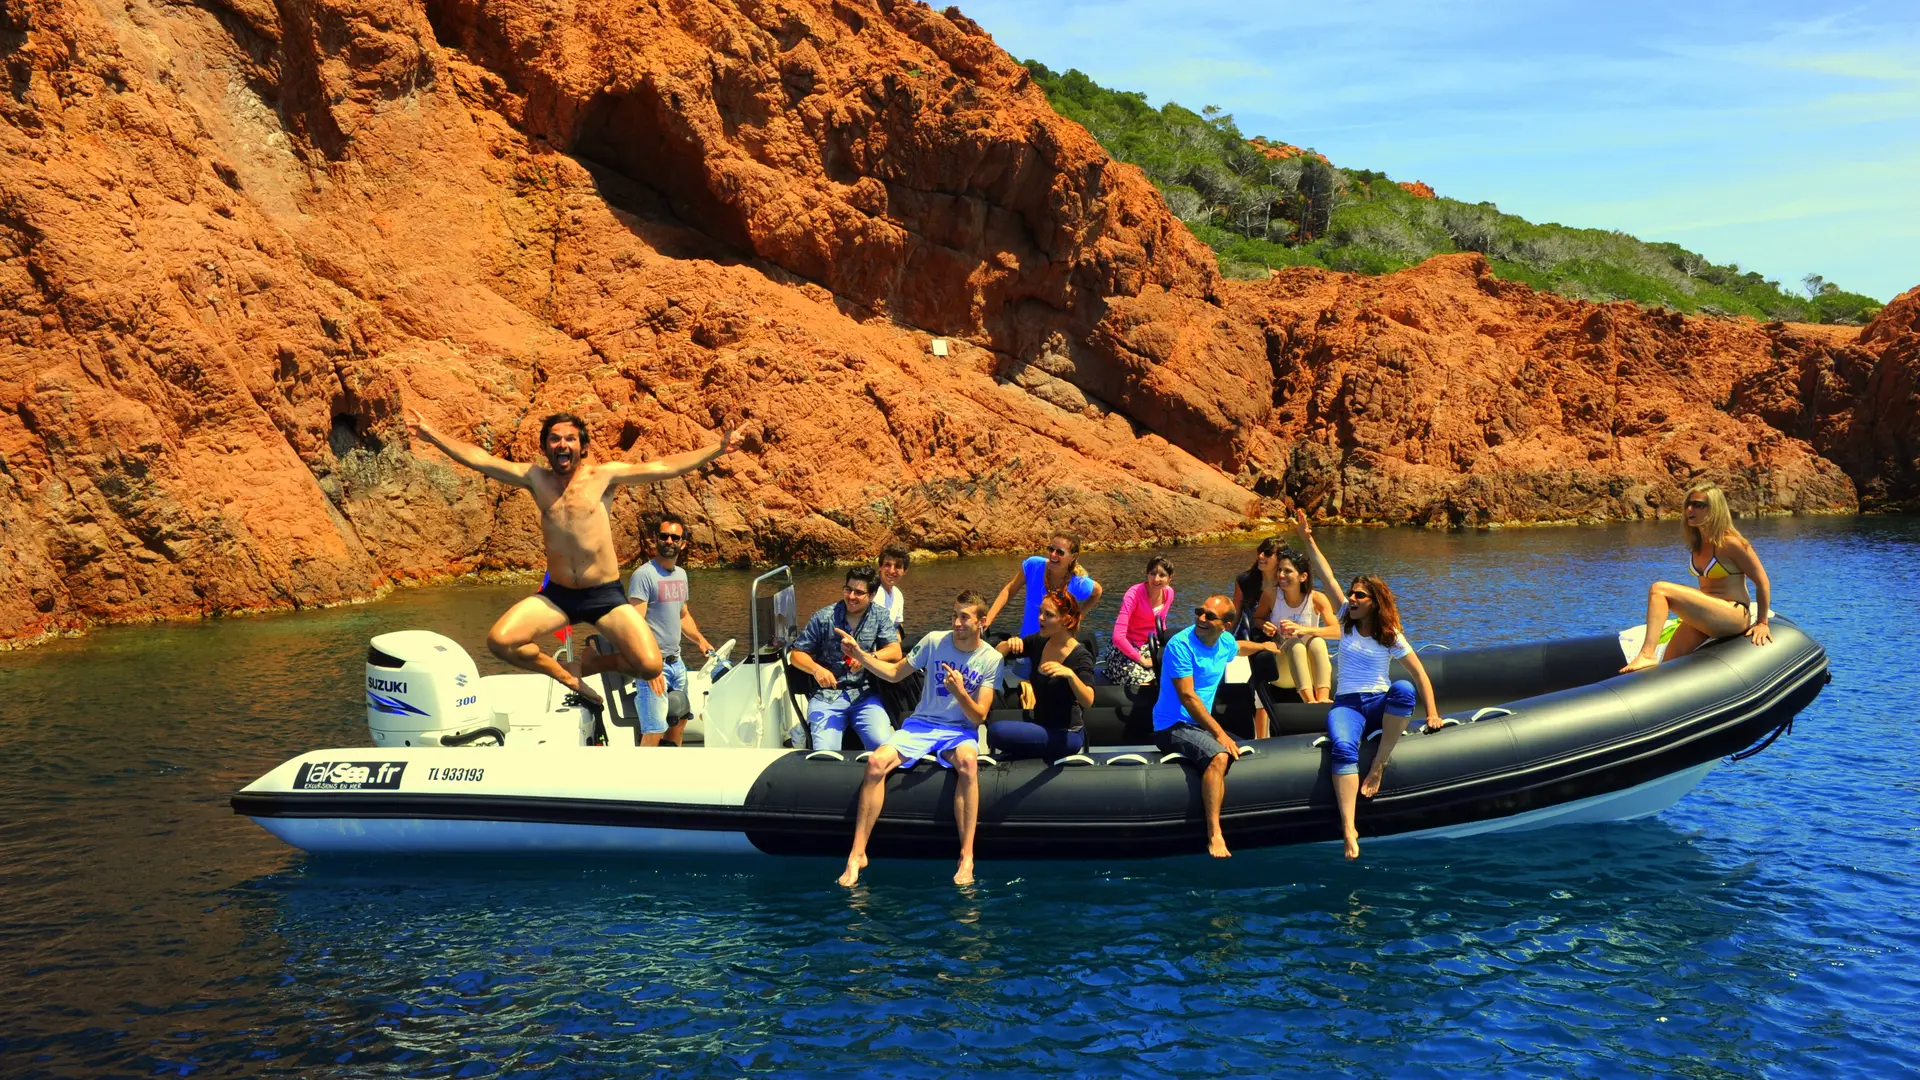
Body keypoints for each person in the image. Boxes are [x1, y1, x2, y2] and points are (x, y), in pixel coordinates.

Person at [405, 409, 735, 712]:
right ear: (546, 447)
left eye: (570, 439)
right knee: (499, 641)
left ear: (581, 446)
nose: (562, 444)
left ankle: (592, 663)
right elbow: (481, 459)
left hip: (603, 595)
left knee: (650, 665)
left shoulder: (604, 477)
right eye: (554, 439)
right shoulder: (535, 479)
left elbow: (663, 467)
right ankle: (564, 675)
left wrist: (717, 449)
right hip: (559, 595)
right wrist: (432, 434)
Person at [1282, 509, 1442, 861]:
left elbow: (1419, 673)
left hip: (1378, 703)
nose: (1351, 600)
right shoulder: (1344, 620)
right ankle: (1349, 830)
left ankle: (1378, 766)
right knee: (1341, 747)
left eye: (1359, 596)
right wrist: (1307, 538)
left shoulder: (1389, 635)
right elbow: (1326, 575)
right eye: (1351, 595)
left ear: (1374, 602)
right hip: (1348, 705)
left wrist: (1432, 714)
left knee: (1402, 690)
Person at [834, 591, 1002, 887]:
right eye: (954, 615)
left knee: (968, 763)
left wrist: (960, 692)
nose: (957, 622)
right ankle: (857, 853)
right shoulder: (935, 641)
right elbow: (895, 673)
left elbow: (979, 717)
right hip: (921, 725)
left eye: (965, 617)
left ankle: (966, 856)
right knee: (875, 763)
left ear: (982, 622)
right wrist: (861, 654)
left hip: (959, 730)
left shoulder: (991, 658)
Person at [1152, 594, 1285, 859]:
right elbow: (1188, 697)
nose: (1201, 618)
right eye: (1199, 612)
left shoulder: (1223, 641)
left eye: (1210, 616)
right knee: (1219, 755)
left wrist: (1264, 647)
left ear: (1224, 624)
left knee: (1245, 751)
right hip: (1172, 724)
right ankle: (1214, 833)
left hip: (1197, 725)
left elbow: (1239, 647)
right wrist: (1219, 734)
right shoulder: (1181, 646)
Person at [1620, 482, 1774, 673]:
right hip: (1708, 614)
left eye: (1699, 505)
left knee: (1659, 589)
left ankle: (1646, 654)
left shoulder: (1730, 543)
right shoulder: (1697, 542)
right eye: (1688, 504)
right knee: (1666, 667)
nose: (1690, 509)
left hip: (1733, 614)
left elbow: (1762, 582)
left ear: (1715, 509)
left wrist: (1762, 623)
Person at [620, 513, 718, 746]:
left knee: (680, 720)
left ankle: (672, 771)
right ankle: (645, 780)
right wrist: (651, 666)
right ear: (656, 539)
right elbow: (635, 625)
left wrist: (700, 640)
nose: (669, 541)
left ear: (683, 543)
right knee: (655, 729)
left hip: (677, 664)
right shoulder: (644, 575)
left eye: (675, 537)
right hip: (655, 665)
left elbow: (682, 615)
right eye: (664, 536)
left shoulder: (681, 575)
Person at [787, 567, 901, 752]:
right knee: (825, 752)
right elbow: (796, 655)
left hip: (865, 695)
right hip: (827, 696)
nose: (851, 596)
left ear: (872, 595)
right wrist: (817, 670)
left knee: (883, 747)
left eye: (859, 592)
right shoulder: (824, 617)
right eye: (848, 590)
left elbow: (895, 651)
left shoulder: (880, 616)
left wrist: (867, 658)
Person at [991, 591, 1096, 760]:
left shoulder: (1080, 656)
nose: (1040, 618)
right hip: (1040, 725)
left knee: (998, 732)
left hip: (1067, 734)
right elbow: (997, 653)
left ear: (1066, 620)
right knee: (996, 731)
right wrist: (1008, 644)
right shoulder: (1040, 641)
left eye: (1048, 615)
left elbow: (1088, 700)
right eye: (1040, 612)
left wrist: (1070, 675)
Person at [983, 533, 1103, 638]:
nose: (1053, 555)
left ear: (1073, 557)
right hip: (1027, 645)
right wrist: (988, 619)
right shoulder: (1033, 566)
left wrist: (1078, 618)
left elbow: (1097, 591)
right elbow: (1009, 590)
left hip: (1055, 649)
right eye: (1051, 549)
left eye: (1060, 552)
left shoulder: (1079, 583)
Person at [1232, 539, 1287, 738]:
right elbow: (1236, 614)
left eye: (1268, 553)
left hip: (1278, 641)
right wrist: (1225, 640)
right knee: (1254, 688)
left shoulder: (1286, 581)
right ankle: (1260, 738)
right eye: (1260, 552)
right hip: (1249, 638)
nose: (1261, 557)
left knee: (1269, 688)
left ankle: (1267, 736)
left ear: (1280, 558)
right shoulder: (1245, 580)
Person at [1270, 547, 1336, 703]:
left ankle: (1323, 699)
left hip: (1310, 668)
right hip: (1283, 669)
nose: (1281, 575)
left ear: (1303, 576)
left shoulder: (1317, 599)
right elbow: (1257, 619)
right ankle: (1309, 702)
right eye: (1279, 570)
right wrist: (1266, 625)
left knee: (1318, 642)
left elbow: (1338, 631)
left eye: (1287, 571)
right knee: (1295, 645)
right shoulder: (1271, 595)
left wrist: (1304, 629)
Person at [1099, 557, 1174, 692]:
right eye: (1152, 573)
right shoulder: (1133, 595)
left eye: (1162, 575)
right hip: (1124, 649)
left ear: (1170, 578)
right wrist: (1142, 660)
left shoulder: (1169, 594)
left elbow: (1161, 624)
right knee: (1143, 682)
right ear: (1147, 574)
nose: (1156, 579)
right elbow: (1118, 637)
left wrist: (1164, 648)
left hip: (1149, 645)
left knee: (1171, 674)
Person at [876, 543, 911, 634]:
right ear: (880, 566)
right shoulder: (872, 592)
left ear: (905, 571)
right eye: (887, 565)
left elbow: (897, 627)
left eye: (897, 566)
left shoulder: (897, 594)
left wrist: (898, 647)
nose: (892, 571)